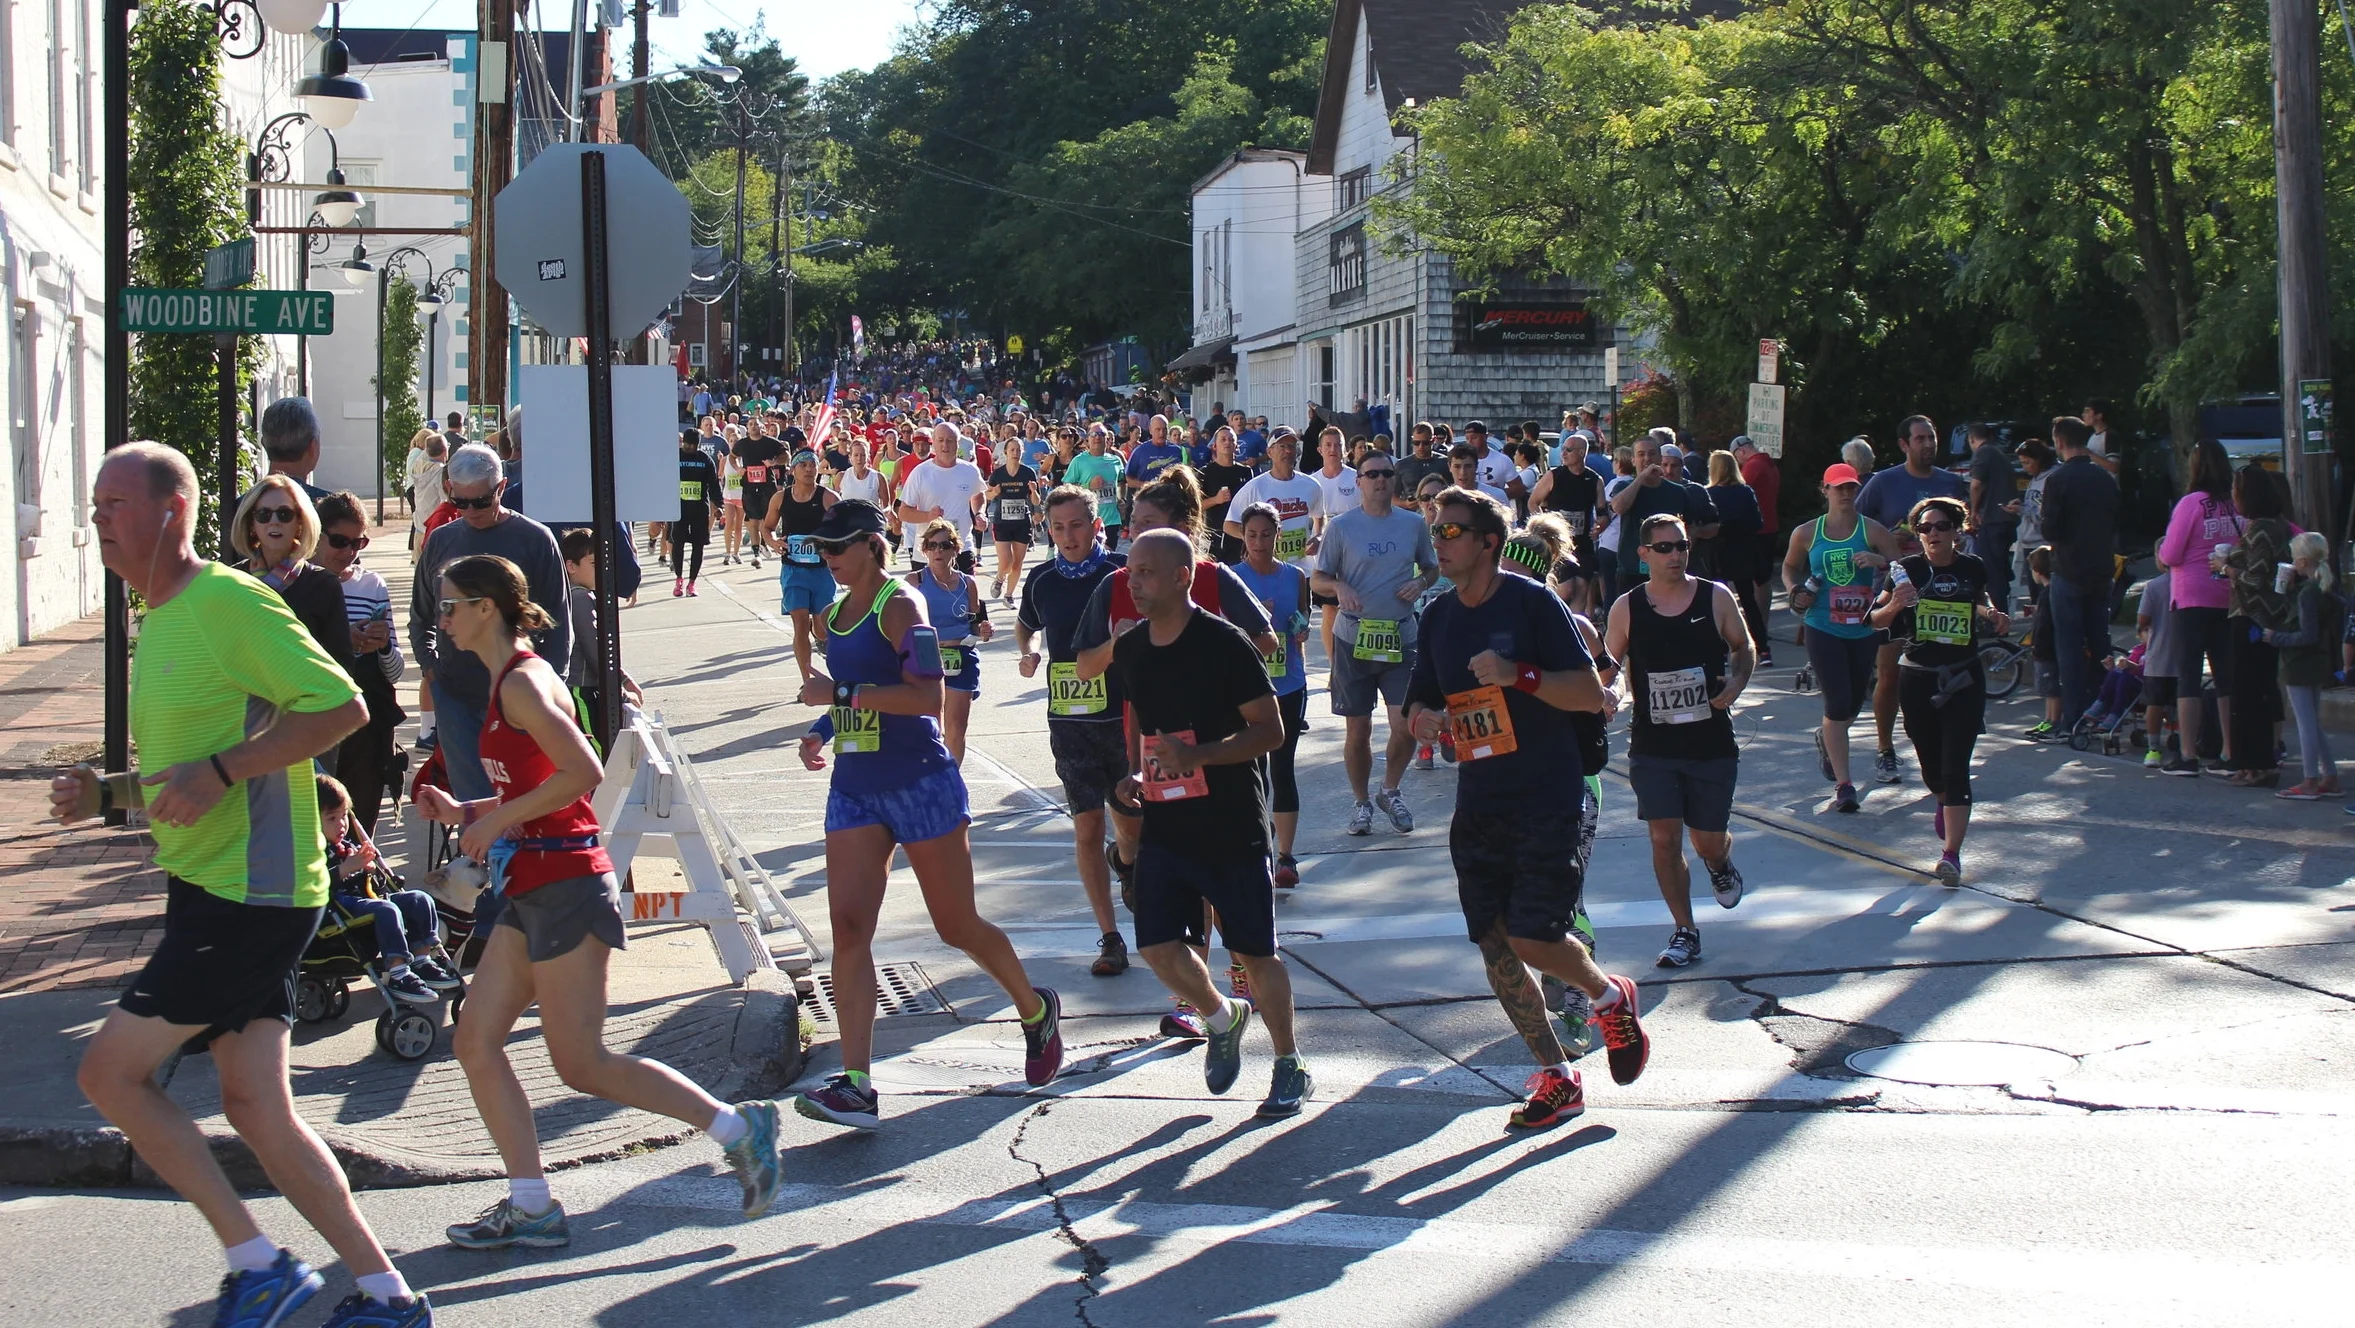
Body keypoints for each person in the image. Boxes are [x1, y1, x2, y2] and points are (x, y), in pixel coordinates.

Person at [56, 443, 427, 1328]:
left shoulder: (228, 601)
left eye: (113, 503)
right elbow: (183, 771)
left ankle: (256, 1263)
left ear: (170, 514)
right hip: (213, 890)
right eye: (94, 503)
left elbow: (342, 705)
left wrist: (224, 771)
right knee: (257, 1106)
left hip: (251, 899)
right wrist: (109, 794)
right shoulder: (161, 617)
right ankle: (387, 1294)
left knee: (110, 1075)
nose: (97, 519)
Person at [414, 555, 786, 1246]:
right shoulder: (511, 679)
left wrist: (494, 820)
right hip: (532, 880)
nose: (443, 620)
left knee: (580, 1062)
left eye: (451, 606)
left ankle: (740, 1128)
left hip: (565, 883)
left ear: (487, 608)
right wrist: (471, 808)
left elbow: (582, 772)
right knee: (475, 1039)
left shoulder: (523, 682)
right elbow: (539, 788)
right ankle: (530, 1205)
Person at [794, 501, 1066, 1128]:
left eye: (837, 548)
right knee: (849, 928)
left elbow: (927, 696)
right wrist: (823, 725)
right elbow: (853, 694)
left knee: (956, 924)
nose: (828, 558)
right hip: (857, 787)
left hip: (920, 783)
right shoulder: (834, 616)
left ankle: (1033, 1008)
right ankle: (857, 1082)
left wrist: (838, 695)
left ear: (869, 546)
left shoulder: (901, 606)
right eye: (822, 549)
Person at [1404, 486, 1653, 1129]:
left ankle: (1606, 994)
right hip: (1479, 800)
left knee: (1533, 933)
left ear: (1489, 542)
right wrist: (1424, 721)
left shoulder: (1533, 603)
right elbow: (1415, 705)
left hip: (1547, 793)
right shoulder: (1437, 617)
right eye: (1436, 530)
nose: (1440, 540)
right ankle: (1557, 1075)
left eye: (1452, 532)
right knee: (1495, 946)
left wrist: (1520, 676)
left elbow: (1588, 693)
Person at [1105, 530, 1308, 1114]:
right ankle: (1222, 1017)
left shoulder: (1225, 643)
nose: (1133, 581)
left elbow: (1269, 732)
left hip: (1231, 822)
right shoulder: (1133, 648)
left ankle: (1289, 1063)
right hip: (1166, 820)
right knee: (1157, 946)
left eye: (1145, 572)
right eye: (1130, 571)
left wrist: (1199, 756)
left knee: (1254, 951)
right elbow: (1148, 723)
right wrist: (1137, 774)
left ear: (1181, 577)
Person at [1605, 513, 1753, 969]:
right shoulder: (1627, 606)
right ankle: (1685, 930)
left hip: (1710, 741)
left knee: (1707, 841)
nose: (1676, 555)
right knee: (1663, 838)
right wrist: (1609, 693)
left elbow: (1742, 647)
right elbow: (1609, 665)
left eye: (1682, 546)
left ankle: (1719, 865)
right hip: (1653, 745)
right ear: (1644, 554)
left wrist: (1736, 682)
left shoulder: (1715, 596)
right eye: (1665, 548)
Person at [1017, 487, 1140, 984]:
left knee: (1131, 822)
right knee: (1087, 826)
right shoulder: (1042, 579)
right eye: (1059, 527)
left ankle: (1126, 859)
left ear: (1095, 524)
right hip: (1069, 722)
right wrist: (1026, 652)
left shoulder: (1122, 573)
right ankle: (1110, 937)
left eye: (1077, 525)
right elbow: (1026, 627)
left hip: (1122, 718)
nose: (1068, 536)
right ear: (1049, 529)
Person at [410, 443, 572, 805]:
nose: (470, 511)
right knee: (473, 804)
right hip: (457, 698)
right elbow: (421, 614)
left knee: (524, 801)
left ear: (501, 488)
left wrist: (549, 687)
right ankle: (483, 862)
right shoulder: (441, 540)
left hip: (519, 699)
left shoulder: (534, 540)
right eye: (460, 502)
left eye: (480, 502)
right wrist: (432, 670)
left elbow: (558, 624)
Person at [1868, 497, 2007, 883]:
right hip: (1917, 677)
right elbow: (1874, 619)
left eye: (1941, 527)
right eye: (1925, 529)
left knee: (1956, 766)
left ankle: (1951, 855)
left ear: (1955, 531)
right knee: (1932, 767)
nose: (1933, 534)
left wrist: (1991, 613)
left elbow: (1980, 599)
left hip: (1963, 677)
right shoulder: (1905, 570)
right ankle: (1942, 797)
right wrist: (1896, 603)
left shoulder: (1972, 567)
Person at [1312, 449, 1436, 837]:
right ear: (1359, 482)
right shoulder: (1342, 527)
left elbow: (1432, 568)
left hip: (1401, 635)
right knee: (1358, 730)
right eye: (1371, 474)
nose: (1380, 480)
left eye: (1386, 473)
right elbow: (1317, 579)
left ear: (1394, 480)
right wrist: (1338, 585)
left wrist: (1420, 582)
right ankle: (1361, 801)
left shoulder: (1413, 524)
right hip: (1354, 638)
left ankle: (1390, 790)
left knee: (1406, 724)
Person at [1855, 415, 1970, 784]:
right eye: (1919, 438)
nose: (1927, 444)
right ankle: (1886, 749)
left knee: (1946, 670)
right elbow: (1856, 527)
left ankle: (1940, 752)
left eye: (1931, 437)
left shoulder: (1951, 483)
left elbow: (1966, 530)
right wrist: (1885, 544)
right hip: (1897, 586)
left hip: (1946, 591)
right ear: (1904, 444)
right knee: (1890, 673)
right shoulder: (1883, 483)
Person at [1782, 463, 1903, 811]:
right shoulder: (1807, 532)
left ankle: (1827, 736)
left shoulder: (1873, 530)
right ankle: (1845, 784)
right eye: (1839, 488)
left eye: (1851, 488)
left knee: (1851, 704)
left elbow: (1902, 571)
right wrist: (1795, 590)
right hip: (1822, 624)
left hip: (1863, 625)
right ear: (1826, 491)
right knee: (1836, 704)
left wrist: (1879, 560)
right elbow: (1790, 567)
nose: (1846, 494)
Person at [317, 773, 459, 1005]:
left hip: (364, 899)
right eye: (332, 818)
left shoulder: (348, 847)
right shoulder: (314, 853)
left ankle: (422, 959)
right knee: (386, 910)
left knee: (419, 899)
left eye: (344, 816)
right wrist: (345, 869)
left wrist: (371, 871)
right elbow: (315, 883)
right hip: (337, 906)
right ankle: (397, 972)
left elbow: (377, 888)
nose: (341, 824)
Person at [315, 492, 407, 835]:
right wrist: (339, 642)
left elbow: (395, 671)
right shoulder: (300, 584)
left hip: (365, 723)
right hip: (317, 719)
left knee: (359, 818)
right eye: (340, 541)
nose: (350, 552)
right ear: (316, 534)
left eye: (359, 542)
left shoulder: (371, 586)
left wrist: (382, 647)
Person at [1231, 502, 1312, 888]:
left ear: (1278, 535)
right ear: (1242, 538)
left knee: (1282, 767)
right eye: (1251, 535)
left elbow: (1302, 620)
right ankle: (1260, 847)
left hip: (1289, 683)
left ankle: (1286, 856)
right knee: (1254, 771)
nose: (1259, 542)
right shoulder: (1233, 578)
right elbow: (1221, 633)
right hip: (1246, 686)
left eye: (1266, 534)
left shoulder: (1295, 577)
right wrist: (1252, 621)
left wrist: (1298, 631)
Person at [2153, 438, 2240, 776]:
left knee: (2188, 674)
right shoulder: (2235, 504)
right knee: (2225, 676)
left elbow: (2171, 554)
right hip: (2228, 594)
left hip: (2191, 596)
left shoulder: (2191, 503)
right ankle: (2230, 751)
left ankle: (2188, 754)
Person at [2038, 416, 2121, 730]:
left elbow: (2050, 528)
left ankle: (2074, 716)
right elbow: (2115, 518)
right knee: (2101, 642)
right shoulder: (2104, 478)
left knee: (2069, 646)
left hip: (2068, 568)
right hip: (2101, 568)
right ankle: (2104, 707)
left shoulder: (2057, 480)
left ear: (2059, 442)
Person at [231, 477, 354, 684]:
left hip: (304, 704)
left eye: (284, 514)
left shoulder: (323, 584)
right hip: (244, 705)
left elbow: (340, 664)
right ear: (252, 523)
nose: (274, 521)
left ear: (300, 522)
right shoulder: (233, 580)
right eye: (264, 514)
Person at [2218, 465, 2296, 787]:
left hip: (2254, 616)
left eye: (2236, 491)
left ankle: (2259, 762)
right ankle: (2249, 760)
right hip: (2251, 615)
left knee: (2251, 691)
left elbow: (2257, 576)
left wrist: (2226, 569)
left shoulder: (2263, 529)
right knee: (2249, 690)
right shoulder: (2267, 526)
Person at [2259, 532, 2344, 801]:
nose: (2293, 563)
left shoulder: (2309, 593)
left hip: (2299, 663)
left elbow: (2306, 634)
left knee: (2305, 723)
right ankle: (2328, 775)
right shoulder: (2322, 588)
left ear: (2303, 561)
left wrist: (2275, 638)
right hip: (2317, 661)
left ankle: (2310, 779)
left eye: (2295, 559)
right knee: (2312, 722)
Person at [905, 517, 994, 763]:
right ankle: (929, 778)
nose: (938, 551)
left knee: (956, 728)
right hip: (926, 659)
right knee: (931, 727)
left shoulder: (968, 583)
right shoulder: (914, 582)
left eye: (944, 546)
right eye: (932, 546)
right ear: (924, 550)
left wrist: (984, 629)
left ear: (956, 549)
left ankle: (951, 782)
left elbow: (975, 622)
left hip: (961, 657)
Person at [1609, 429, 1719, 600]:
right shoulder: (1624, 487)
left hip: (1668, 572)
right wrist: (1641, 479)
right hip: (1632, 569)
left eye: (1652, 454)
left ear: (1660, 458)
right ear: (1633, 460)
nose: (1647, 459)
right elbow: (1618, 508)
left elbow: (1689, 528)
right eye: (1641, 454)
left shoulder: (1678, 492)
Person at [559, 528, 645, 727]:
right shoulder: (580, 598)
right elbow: (596, 653)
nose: (602, 569)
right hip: (580, 690)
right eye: (593, 563)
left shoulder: (573, 594)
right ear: (571, 566)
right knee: (596, 752)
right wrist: (621, 693)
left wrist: (623, 678)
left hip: (581, 688)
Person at [771, 451, 841, 680]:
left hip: (821, 571)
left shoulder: (828, 497)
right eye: (803, 465)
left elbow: (844, 528)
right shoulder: (781, 498)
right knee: (799, 623)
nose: (809, 469)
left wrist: (832, 544)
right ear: (793, 470)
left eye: (812, 464)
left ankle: (818, 633)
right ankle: (806, 680)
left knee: (823, 627)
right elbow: (767, 527)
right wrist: (772, 541)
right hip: (793, 570)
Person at [1226, 432, 1324, 578]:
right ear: (1269, 452)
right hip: (1267, 570)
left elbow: (1320, 516)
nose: (1288, 451)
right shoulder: (1255, 487)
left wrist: (1319, 536)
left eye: (1291, 446)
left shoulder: (1311, 485)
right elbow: (1229, 525)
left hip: (1303, 571)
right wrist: (1257, 539)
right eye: (1282, 446)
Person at [1704, 450, 1768, 658]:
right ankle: (1762, 646)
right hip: (1743, 550)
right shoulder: (1746, 491)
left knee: (1717, 600)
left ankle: (1720, 648)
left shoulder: (1710, 494)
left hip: (1719, 551)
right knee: (1748, 600)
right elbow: (1758, 522)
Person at [896, 422, 989, 562]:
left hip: (962, 548)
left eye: (950, 440)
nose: (945, 445)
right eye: (940, 440)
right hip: (928, 552)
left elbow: (978, 495)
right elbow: (903, 513)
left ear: (958, 444)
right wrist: (928, 516)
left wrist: (979, 513)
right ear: (933, 443)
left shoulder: (970, 471)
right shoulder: (921, 473)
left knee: (968, 584)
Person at [1965, 424, 2019, 615]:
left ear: (1972, 439)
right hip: (2006, 519)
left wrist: (1973, 511)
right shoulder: (1999, 453)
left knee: (1992, 570)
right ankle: (2003, 609)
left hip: (1993, 519)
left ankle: (1998, 616)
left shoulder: (1982, 453)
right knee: (2001, 567)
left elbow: (1976, 485)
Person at [1734, 435, 1782, 634]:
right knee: (1764, 579)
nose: (1738, 463)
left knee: (1755, 580)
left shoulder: (1752, 467)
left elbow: (1739, 493)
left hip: (1756, 530)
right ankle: (1762, 624)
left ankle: (1757, 626)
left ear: (1742, 451)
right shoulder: (1771, 466)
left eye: (1737, 458)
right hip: (1770, 527)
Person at [986, 443, 1040, 606]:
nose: (1015, 453)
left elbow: (1036, 501)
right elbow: (987, 495)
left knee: (1017, 562)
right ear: (1006, 452)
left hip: (1022, 522)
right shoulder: (998, 474)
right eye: (1012, 450)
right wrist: (994, 493)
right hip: (1002, 522)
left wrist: (1034, 490)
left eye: (1018, 450)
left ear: (1022, 452)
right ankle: (1000, 578)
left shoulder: (1028, 472)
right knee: (1006, 561)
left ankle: (1009, 595)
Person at [673, 427, 723, 596]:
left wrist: (719, 505)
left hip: (700, 508)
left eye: (694, 445)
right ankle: (678, 579)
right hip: (679, 508)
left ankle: (692, 583)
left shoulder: (705, 459)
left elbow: (714, 485)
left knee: (698, 545)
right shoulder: (675, 456)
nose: (690, 448)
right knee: (677, 543)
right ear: (683, 443)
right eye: (688, 445)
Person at [1196, 427, 1256, 564]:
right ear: (1214, 446)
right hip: (1213, 535)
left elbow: (1253, 504)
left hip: (1238, 535)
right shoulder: (1206, 472)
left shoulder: (1246, 472)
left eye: (1231, 439)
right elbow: (1196, 506)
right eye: (1223, 439)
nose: (1227, 442)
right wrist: (1215, 500)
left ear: (1236, 445)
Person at [1064, 425, 1128, 549]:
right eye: (1093, 434)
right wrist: (1088, 485)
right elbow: (1067, 487)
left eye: (1101, 434)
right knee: (1090, 555)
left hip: (1111, 519)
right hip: (1088, 519)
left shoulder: (1115, 460)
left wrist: (1121, 499)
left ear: (1107, 439)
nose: (1097, 437)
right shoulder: (1079, 461)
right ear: (1088, 439)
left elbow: (1122, 481)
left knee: (1108, 557)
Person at [735, 420, 786, 570]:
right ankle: (756, 554)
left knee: (767, 517)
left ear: (761, 427)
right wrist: (738, 468)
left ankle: (765, 542)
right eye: (750, 425)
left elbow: (786, 456)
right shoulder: (742, 444)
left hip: (767, 486)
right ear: (747, 428)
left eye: (756, 424)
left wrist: (774, 461)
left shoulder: (770, 443)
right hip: (749, 487)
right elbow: (732, 456)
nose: (753, 427)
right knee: (752, 520)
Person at [406, 428, 448, 556]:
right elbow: (445, 500)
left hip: (419, 527)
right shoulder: (440, 473)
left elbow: (427, 453)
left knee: (419, 572)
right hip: (434, 528)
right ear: (445, 450)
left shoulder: (418, 467)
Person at [719, 447, 749, 565]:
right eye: (731, 441)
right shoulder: (725, 460)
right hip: (729, 496)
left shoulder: (745, 460)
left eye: (737, 442)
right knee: (729, 523)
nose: (734, 444)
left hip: (741, 497)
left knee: (738, 526)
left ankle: (736, 553)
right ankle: (727, 553)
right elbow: (720, 475)